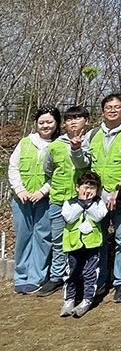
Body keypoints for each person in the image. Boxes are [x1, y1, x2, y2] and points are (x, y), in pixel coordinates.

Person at [73, 93, 121, 303]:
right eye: (108, 106)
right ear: (102, 110)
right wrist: (75, 148)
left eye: (117, 107)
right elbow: (83, 163)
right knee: (97, 240)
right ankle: (98, 279)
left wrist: (120, 190)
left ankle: (120, 281)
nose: (112, 110)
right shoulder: (92, 134)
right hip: (97, 198)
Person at [8, 107, 61, 294]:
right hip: (21, 199)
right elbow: (13, 167)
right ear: (36, 124)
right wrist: (20, 190)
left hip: (45, 199)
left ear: (56, 123)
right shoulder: (25, 142)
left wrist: (43, 191)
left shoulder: (59, 144)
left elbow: (59, 172)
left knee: (42, 237)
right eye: (42, 122)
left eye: (49, 122)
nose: (45, 125)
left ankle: (36, 276)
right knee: (23, 236)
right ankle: (20, 275)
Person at [41, 105, 90, 297]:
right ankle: (56, 276)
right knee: (58, 240)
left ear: (86, 120)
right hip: (58, 199)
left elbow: (84, 164)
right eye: (69, 119)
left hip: (82, 201)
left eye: (78, 118)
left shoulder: (90, 141)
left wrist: (76, 147)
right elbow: (48, 169)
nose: (73, 122)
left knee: (81, 239)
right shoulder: (54, 146)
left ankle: (79, 276)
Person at [59, 171, 108, 318]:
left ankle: (87, 299)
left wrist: (89, 204)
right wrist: (81, 203)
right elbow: (69, 217)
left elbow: (99, 216)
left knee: (90, 273)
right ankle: (69, 300)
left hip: (92, 245)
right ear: (77, 188)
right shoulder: (70, 203)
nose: (88, 191)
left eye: (92, 187)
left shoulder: (99, 203)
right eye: (85, 187)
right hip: (73, 245)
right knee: (71, 273)